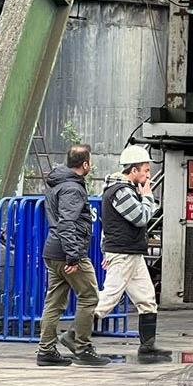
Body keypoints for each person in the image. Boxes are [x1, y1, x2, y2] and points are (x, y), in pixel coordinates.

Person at [93, 145, 170, 363]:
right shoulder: (121, 192)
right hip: (123, 253)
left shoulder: (125, 189)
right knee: (108, 298)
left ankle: (148, 347)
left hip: (131, 253)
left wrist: (104, 251)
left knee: (147, 300)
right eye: (146, 170)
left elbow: (106, 226)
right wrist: (148, 197)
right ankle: (76, 337)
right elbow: (141, 218)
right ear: (133, 170)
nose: (148, 175)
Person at [37, 144, 109, 367]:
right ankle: (82, 347)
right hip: (68, 251)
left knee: (54, 302)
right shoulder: (72, 189)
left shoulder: (58, 183)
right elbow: (67, 223)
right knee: (89, 297)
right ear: (85, 164)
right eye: (91, 161)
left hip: (53, 250)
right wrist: (74, 257)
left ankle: (46, 350)